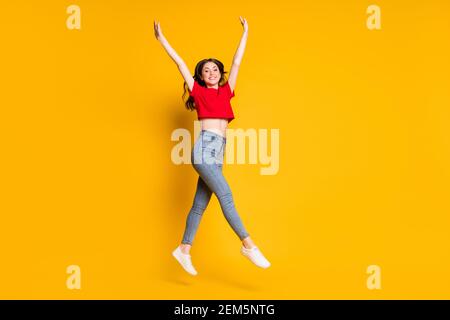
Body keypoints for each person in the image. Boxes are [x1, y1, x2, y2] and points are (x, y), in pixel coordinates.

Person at [154, 17, 271, 276]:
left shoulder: (227, 90)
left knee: (199, 205)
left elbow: (237, 61)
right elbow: (181, 63)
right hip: (204, 148)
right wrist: (163, 40)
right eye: (205, 70)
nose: (210, 73)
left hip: (219, 151)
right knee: (226, 196)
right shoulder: (198, 90)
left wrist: (246, 33)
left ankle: (183, 249)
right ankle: (248, 245)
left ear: (220, 72)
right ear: (200, 76)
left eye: (214, 69)